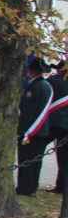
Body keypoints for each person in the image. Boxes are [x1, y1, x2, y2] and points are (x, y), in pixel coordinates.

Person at [17, 58, 52, 196]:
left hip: (32, 131)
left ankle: (24, 188)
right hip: (41, 130)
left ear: (32, 71)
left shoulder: (35, 87)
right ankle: (32, 186)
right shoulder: (46, 86)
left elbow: (29, 111)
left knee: (27, 160)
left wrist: (23, 130)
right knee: (36, 161)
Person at [46, 61, 68, 193]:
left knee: (34, 150)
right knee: (64, 158)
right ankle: (62, 186)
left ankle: (28, 184)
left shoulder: (53, 81)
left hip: (53, 122)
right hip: (66, 124)